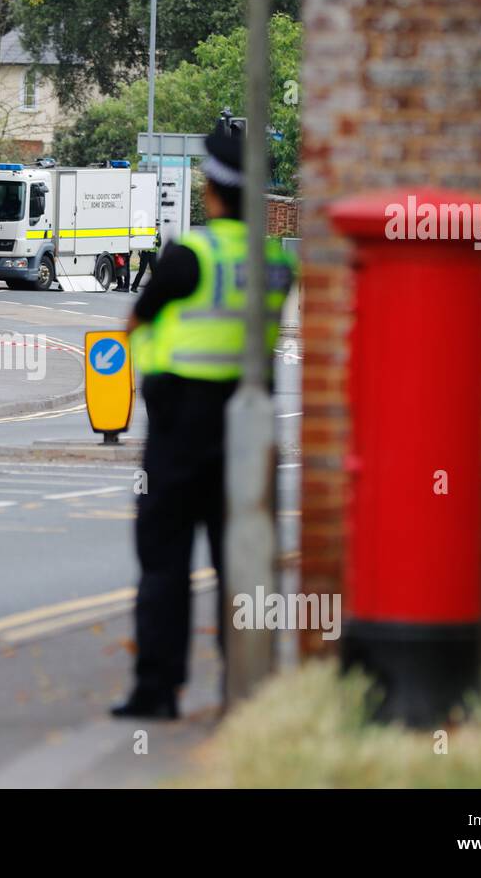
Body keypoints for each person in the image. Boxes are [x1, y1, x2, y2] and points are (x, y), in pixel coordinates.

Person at [111, 131, 297, 720]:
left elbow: (134, 322)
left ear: (212, 191)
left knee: (165, 561)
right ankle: (244, 690)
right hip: (248, 432)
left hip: (180, 431)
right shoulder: (277, 262)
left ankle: (157, 690)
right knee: (241, 561)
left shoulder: (191, 255)